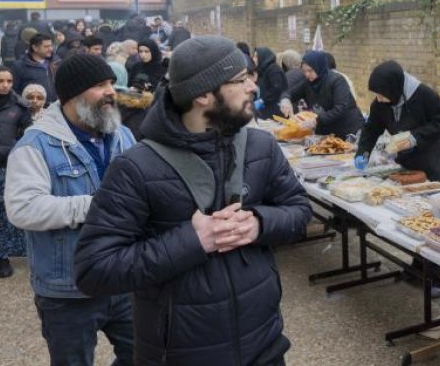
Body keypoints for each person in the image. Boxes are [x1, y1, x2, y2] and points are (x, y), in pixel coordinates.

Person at [74, 35, 311, 365]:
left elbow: (300, 212)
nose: (253, 88)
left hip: (265, 346)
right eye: (241, 80)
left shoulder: (260, 147)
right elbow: (93, 270)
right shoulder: (136, 167)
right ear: (202, 94)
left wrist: (259, 223)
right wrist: (192, 240)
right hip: (181, 354)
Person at [4, 54, 136, 365]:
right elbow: (23, 208)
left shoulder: (123, 136)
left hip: (124, 278)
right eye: (100, 85)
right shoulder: (34, 145)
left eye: (111, 84)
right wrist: (95, 206)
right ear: (72, 96)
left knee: (147, 354)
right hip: (68, 290)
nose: (111, 92)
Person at [357, 60, 440, 185]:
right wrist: (363, 152)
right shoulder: (379, 104)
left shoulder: (424, 94)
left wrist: (414, 137)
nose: (378, 99)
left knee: (439, 196)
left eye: (381, 95)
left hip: (435, 157)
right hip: (409, 160)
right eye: (377, 94)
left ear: (393, 89)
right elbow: (371, 129)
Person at [0, 67, 32, 278]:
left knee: (1, 213)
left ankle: (2, 256)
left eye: (9, 81)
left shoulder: (19, 107)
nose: (5, 85)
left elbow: (27, 137)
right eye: (0, 81)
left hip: (4, 167)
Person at [279, 51, 364, 137]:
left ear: (319, 67)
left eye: (310, 70)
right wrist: (285, 100)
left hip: (347, 129)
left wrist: (316, 121)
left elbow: (340, 108)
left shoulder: (337, 81)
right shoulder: (307, 83)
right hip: (326, 131)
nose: (307, 74)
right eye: (304, 71)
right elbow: (289, 93)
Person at [12, 33, 60, 102]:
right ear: (35, 48)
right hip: (30, 108)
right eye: (46, 46)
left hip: (53, 108)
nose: (50, 49)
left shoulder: (56, 63)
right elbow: (14, 91)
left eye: (51, 46)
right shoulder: (20, 66)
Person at [254, 47, 288, 119]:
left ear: (263, 56)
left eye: (256, 56)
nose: (254, 59)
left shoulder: (273, 70)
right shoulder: (263, 70)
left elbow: (277, 89)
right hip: (267, 108)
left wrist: (262, 100)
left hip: (276, 110)